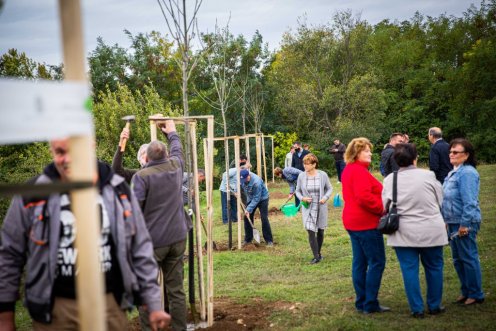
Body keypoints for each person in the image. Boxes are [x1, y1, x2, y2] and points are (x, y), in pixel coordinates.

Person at [0, 138, 170, 331]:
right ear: (51, 151)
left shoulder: (116, 190)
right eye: (60, 152)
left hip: (109, 305)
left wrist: (152, 299)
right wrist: (5, 314)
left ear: (90, 146)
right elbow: (9, 253)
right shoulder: (33, 195)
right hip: (56, 310)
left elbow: (139, 244)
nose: (68, 159)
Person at [131, 120, 190, 331]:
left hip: (153, 243)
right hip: (177, 239)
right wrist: (172, 132)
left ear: (146, 158)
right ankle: (179, 328)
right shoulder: (176, 166)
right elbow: (177, 149)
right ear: (165, 155)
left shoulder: (141, 177)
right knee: (176, 291)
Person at [382, 143, 448, 318]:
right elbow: (440, 200)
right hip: (431, 228)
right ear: (415, 158)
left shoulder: (390, 180)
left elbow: (385, 206)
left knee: (409, 270)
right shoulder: (429, 175)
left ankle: (417, 308)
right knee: (434, 267)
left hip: (404, 230)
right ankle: (434, 305)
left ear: (395, 160)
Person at [341, 137, 389, 314]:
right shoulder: (359, 171)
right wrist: (383, 209)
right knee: (376, 262)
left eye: (370, 150)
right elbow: (364, 197)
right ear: (356, 153)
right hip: (365, 223)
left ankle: (361, 301)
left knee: (360, 262)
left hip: (353, 222)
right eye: (366, 150)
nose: (370, 153)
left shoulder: (350, 169)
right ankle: (370, 303)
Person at [442, 138, 484, 306]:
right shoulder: (454, 171)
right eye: (450, 152)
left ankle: (476, 293)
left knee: (468, 257)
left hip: (464, 222)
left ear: (466, 155)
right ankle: (466, 290)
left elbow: (470, 202)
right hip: (453, 221)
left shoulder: (467, 173)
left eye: (455, 152)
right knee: (458, 259)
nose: (451, 154)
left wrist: (464, 225)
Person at [295, 154, 333, 264]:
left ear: (314, 164)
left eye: (307, 164)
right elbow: (297, 191)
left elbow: (329, 188)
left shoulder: (323, 175)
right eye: (304, 164)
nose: (305, 166)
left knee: (320, 231)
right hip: (308, 208)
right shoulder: (301, 176)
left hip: (320, 206)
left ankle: (319, 253)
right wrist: (302, 198)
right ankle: (316, 256)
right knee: (311, 231)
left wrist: (325, 198)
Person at [239, 169, 274, 246]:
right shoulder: (242, 179)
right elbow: (239, 186)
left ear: (248, 176)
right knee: (247, 217)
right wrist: (235, 190)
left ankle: (269, 240)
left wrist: (248, 209)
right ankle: (248, 239)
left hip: (262, 199)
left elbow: (256, 198)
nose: (243, 181)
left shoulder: (256, 182)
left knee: (264, 218)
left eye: (245, 179)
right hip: (251, 198)